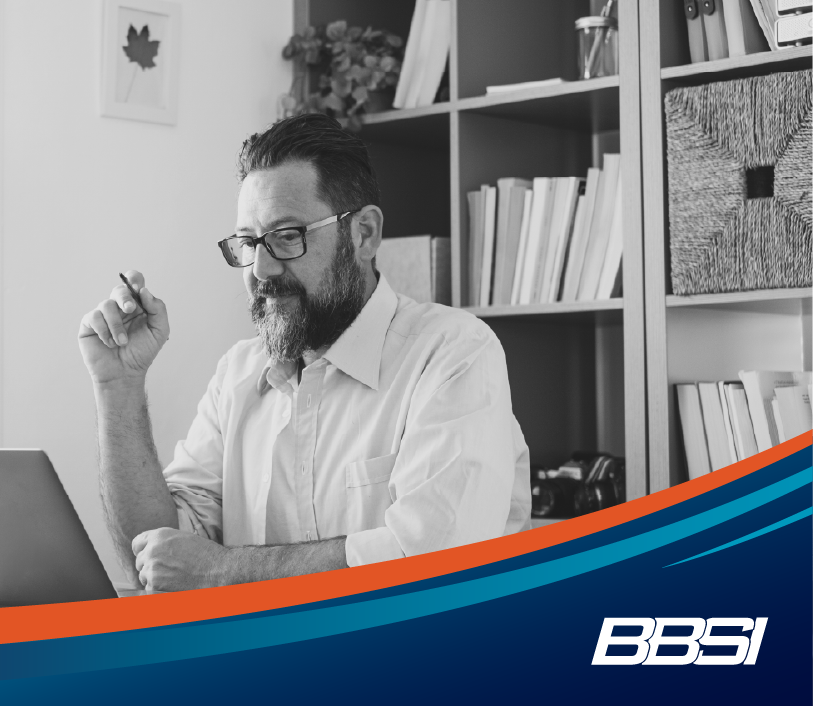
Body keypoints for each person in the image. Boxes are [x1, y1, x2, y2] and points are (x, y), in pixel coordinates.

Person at [77, 113, 530, 593]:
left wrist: (221, 572)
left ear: (364, 234)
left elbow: (436, 569)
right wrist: (119, 388)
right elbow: (156, 560)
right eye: (248, 243)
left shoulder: (453, 353)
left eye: (287, 236)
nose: (262, 268)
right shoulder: (238, 374)